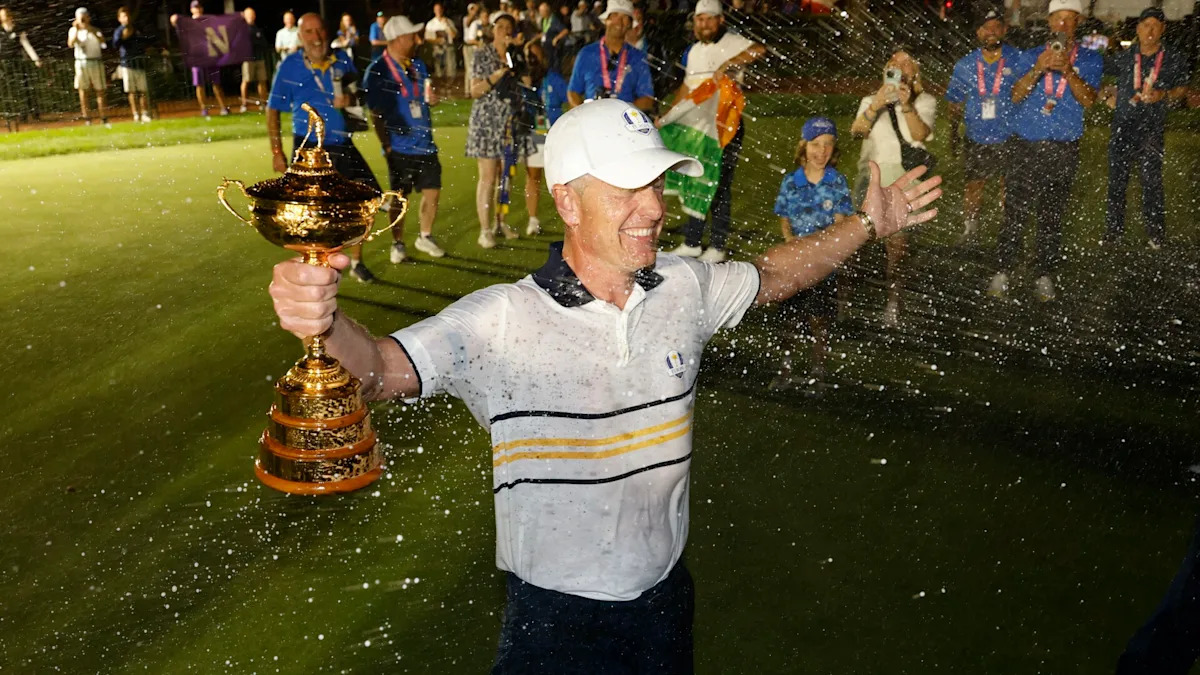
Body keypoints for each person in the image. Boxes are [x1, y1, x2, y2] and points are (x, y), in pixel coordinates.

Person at [266, 98, 943, 673]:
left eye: (656, 184)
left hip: (665, 600)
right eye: (626, 189)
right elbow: (378, 370)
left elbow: (774, 275)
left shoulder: (684, 285)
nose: (653, 207)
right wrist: (324, 323)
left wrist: (865, 224)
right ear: (566, 199)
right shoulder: (500, 320)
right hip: (554, 624)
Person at [990, 0, 1101, 302]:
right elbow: (1014, 96)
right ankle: (1003, 269)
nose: (1062, 25)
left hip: (1063, 147)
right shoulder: (1029, 56)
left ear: (1078, 22)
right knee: (1015, 212)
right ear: (1049, 22)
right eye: (1057, 19)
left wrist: (1069, 72)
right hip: (1025, 145)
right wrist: (1038, 69)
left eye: (1069, 19)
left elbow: (1089, 100)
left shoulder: (1089, 58)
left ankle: (1044, 274)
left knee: (1051, 215)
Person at [267, 12, 385, 282]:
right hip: (310, 150)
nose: (316, 37)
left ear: (327, 31)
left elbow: (358, 97)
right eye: (309, 32)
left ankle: (357, 262)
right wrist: (276, 152)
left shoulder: (342, 59)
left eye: (319, 30)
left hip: (343, 143)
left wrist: (351, 99)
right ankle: (319, 268)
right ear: (300, 36)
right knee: (316, 213)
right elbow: (272, 110)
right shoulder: (289, 66)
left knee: (366, 201)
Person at [664, 0, 764, 263]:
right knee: (695, 180)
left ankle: (718, 245)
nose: (704, 24)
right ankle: (693, 242)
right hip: (696, 130)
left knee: (719, 184)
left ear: (721, 20)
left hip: (723, 127)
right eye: (700, 19)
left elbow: (759, 49)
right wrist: (668, 116)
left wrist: (729, 63)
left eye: (710, 18)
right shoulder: (694, 51)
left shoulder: (731, 42)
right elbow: (687, 89)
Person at [850, 48, 936, 326]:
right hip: (871, 176)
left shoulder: (925, 101)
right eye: (893, 61)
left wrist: (906, 104)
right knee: (857, 241)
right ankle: (849, 302)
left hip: (903, 177)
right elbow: (857, 132)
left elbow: (921, 134)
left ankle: (893, 303)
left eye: (906, 62)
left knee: (897, 247)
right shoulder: (871, 100)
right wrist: (876, 104)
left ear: (915, 73)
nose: (898, 65)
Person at [771, 117, 853, 391]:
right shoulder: (791, 181)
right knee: (789, 320)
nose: (822, 151)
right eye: (816, 144)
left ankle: (818, 374)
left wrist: (824, 250)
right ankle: (785, 370)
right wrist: (791, 241)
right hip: (794, 265)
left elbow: (840, 222)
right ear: (803, 147)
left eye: (828, 144)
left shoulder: (836, 182)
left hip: (823, 266)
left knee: (820, 321)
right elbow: (784, 218)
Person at [1101, 7, 1187, 250]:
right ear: (1138, 28)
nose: (1150, 30)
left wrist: (1164, 94)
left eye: (1155, 26)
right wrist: (1105, 95)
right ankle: (1113, 233)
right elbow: (1096, 71)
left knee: (1151, 182)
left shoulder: (1173, 57)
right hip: (1122, 126)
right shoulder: (1126, 56)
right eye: (1146, 25)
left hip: (1151, 128)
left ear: (1162, 29)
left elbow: (1182, 88)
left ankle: (1155, 235)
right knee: (1117, 181)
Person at [364, 15, 447, 263]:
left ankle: (425, 236)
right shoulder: (378, 70)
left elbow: (423, 96)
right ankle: (397, 243)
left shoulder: (418, 65)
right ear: (398, 39)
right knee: (400, 199)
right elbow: (375, 113)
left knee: (433, 192)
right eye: (412, 36)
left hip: (425, 143)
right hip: (399, 146)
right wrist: (386, 145)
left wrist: (432, 98)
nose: (417, 40)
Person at [945, 6, 1019, 242]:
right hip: (977, 135)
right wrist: (953, 133)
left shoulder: (1018, 59)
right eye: (986, 28)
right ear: (978, 32)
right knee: (973, 185)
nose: (992, 31)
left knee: (1009, 185)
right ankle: (970, 230)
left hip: (1010, 134)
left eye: (997, 27)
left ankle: (1008, 230)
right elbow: (954, 102)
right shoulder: (965, 65)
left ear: (1004, 30)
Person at [467, 13, 534, 248]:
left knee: (506, 176)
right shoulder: (482, 54)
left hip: (510, 122)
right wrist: (497, 75)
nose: (504, 30)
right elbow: (474, 91)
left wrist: (518, 58)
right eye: (500, 26)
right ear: (493, 29)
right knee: (488, 176)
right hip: (486, 122)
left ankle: (500, 222)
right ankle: (485, 230)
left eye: (509, 27)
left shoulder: (514, 54)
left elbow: (527, 83)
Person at [566, 0, 654, 110]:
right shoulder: (586, 53)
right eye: (615, 15)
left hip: (623, 119)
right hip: (593, 118)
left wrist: (624, 113)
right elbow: (573, 92)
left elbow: (647, 98)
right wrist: (583, 114)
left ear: (630, 25)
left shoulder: (638, 57)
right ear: (606, 20)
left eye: (625, 18)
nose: (619, 22)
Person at [519, 39, 566, 236]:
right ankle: (533, 220)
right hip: (534, 133)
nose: (531, 59)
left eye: (534, 55)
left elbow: (570, 98)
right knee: (533, 176)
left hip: (555, 134)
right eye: (528, 55)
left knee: (563, 178)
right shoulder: (523, 81)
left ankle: (570, 218)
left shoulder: (553, 78)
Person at [172, 1, 229, 116]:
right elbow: (174, 21)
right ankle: (204, 109)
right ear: (191, 10)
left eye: (199, 7)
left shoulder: (207, 22)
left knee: (216, 83)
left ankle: (223, 107)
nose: (197, 9)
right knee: (199, 84)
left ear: (201, 9)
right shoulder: (188, 24)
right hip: (196, 58)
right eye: (195, 7)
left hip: (210, 57)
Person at [1, 6, 43, 124]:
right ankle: (19, 113)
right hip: (6, 63)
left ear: (10, 16)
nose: (4, 17)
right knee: (12, 89)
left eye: (5, 15)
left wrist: (35, 58)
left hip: (19, 62)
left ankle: (34, 112)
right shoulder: (1, 31)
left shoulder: (18, 30)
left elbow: (26, 44)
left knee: (26, 87)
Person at [68, 7, 107, 125]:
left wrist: (90, 30)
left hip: (95, 61)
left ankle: (103, 117)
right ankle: (87, 118)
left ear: (88, 18)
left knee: (100, 90)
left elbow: (103, 43)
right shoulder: (73, 30)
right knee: (83, 90)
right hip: (81, 62)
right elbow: (70, 44)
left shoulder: (95, 30)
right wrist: (76, 29)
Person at [113, 6, 152, 123]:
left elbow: (145, 41)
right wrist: (124, 36)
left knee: (143, 90)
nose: (127, 18)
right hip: (127, 64)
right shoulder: (119, 31)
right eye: (124, 16)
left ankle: (144, 113)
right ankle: (135, 114)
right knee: (131, 91)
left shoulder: (136, 28)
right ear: (119, 18)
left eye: (128, 15)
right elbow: (115, 44)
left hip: (139, 64)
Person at [240, 8, 270, 113]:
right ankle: (244, 104)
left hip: (259, 58)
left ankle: (263, 103)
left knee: (262, 80)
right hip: (248, 59)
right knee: (246, 80)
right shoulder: (242, 29)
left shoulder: (257, 29)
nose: (251, 16)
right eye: (249, 14)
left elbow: (264, 43)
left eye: (252, 14)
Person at [423, 3, 458, 80]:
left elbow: (454, 35)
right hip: (437, 49)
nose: (438, 11)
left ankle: (450, 85)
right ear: (434, 11)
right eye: (436, 9)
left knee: (450, 70)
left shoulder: (449, 21)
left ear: (442, 10)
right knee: (439, 71)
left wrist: (447, 25)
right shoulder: (431, 24)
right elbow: (427, 38)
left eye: (439, 9)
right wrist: (437, 40)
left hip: (449, 48)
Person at [536, 1, 569, 70]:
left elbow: (565, 30)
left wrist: (556, 38)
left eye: (542, 11)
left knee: (554, 66)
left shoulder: (554, 20)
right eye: (540, 11)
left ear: (547, 11)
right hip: (546, 48)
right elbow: (545, 32)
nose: (540, 13)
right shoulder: (543, 20)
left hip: (553, 49)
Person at [462, 4, 483, 87]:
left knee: (475, 68)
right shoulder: (466, 19)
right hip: (468, 46)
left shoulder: (478, 20)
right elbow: (467, 23)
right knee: (469, 69)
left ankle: (474, 87)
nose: (474, 11)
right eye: (472, 9)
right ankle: (468, 89)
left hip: (475, 46)